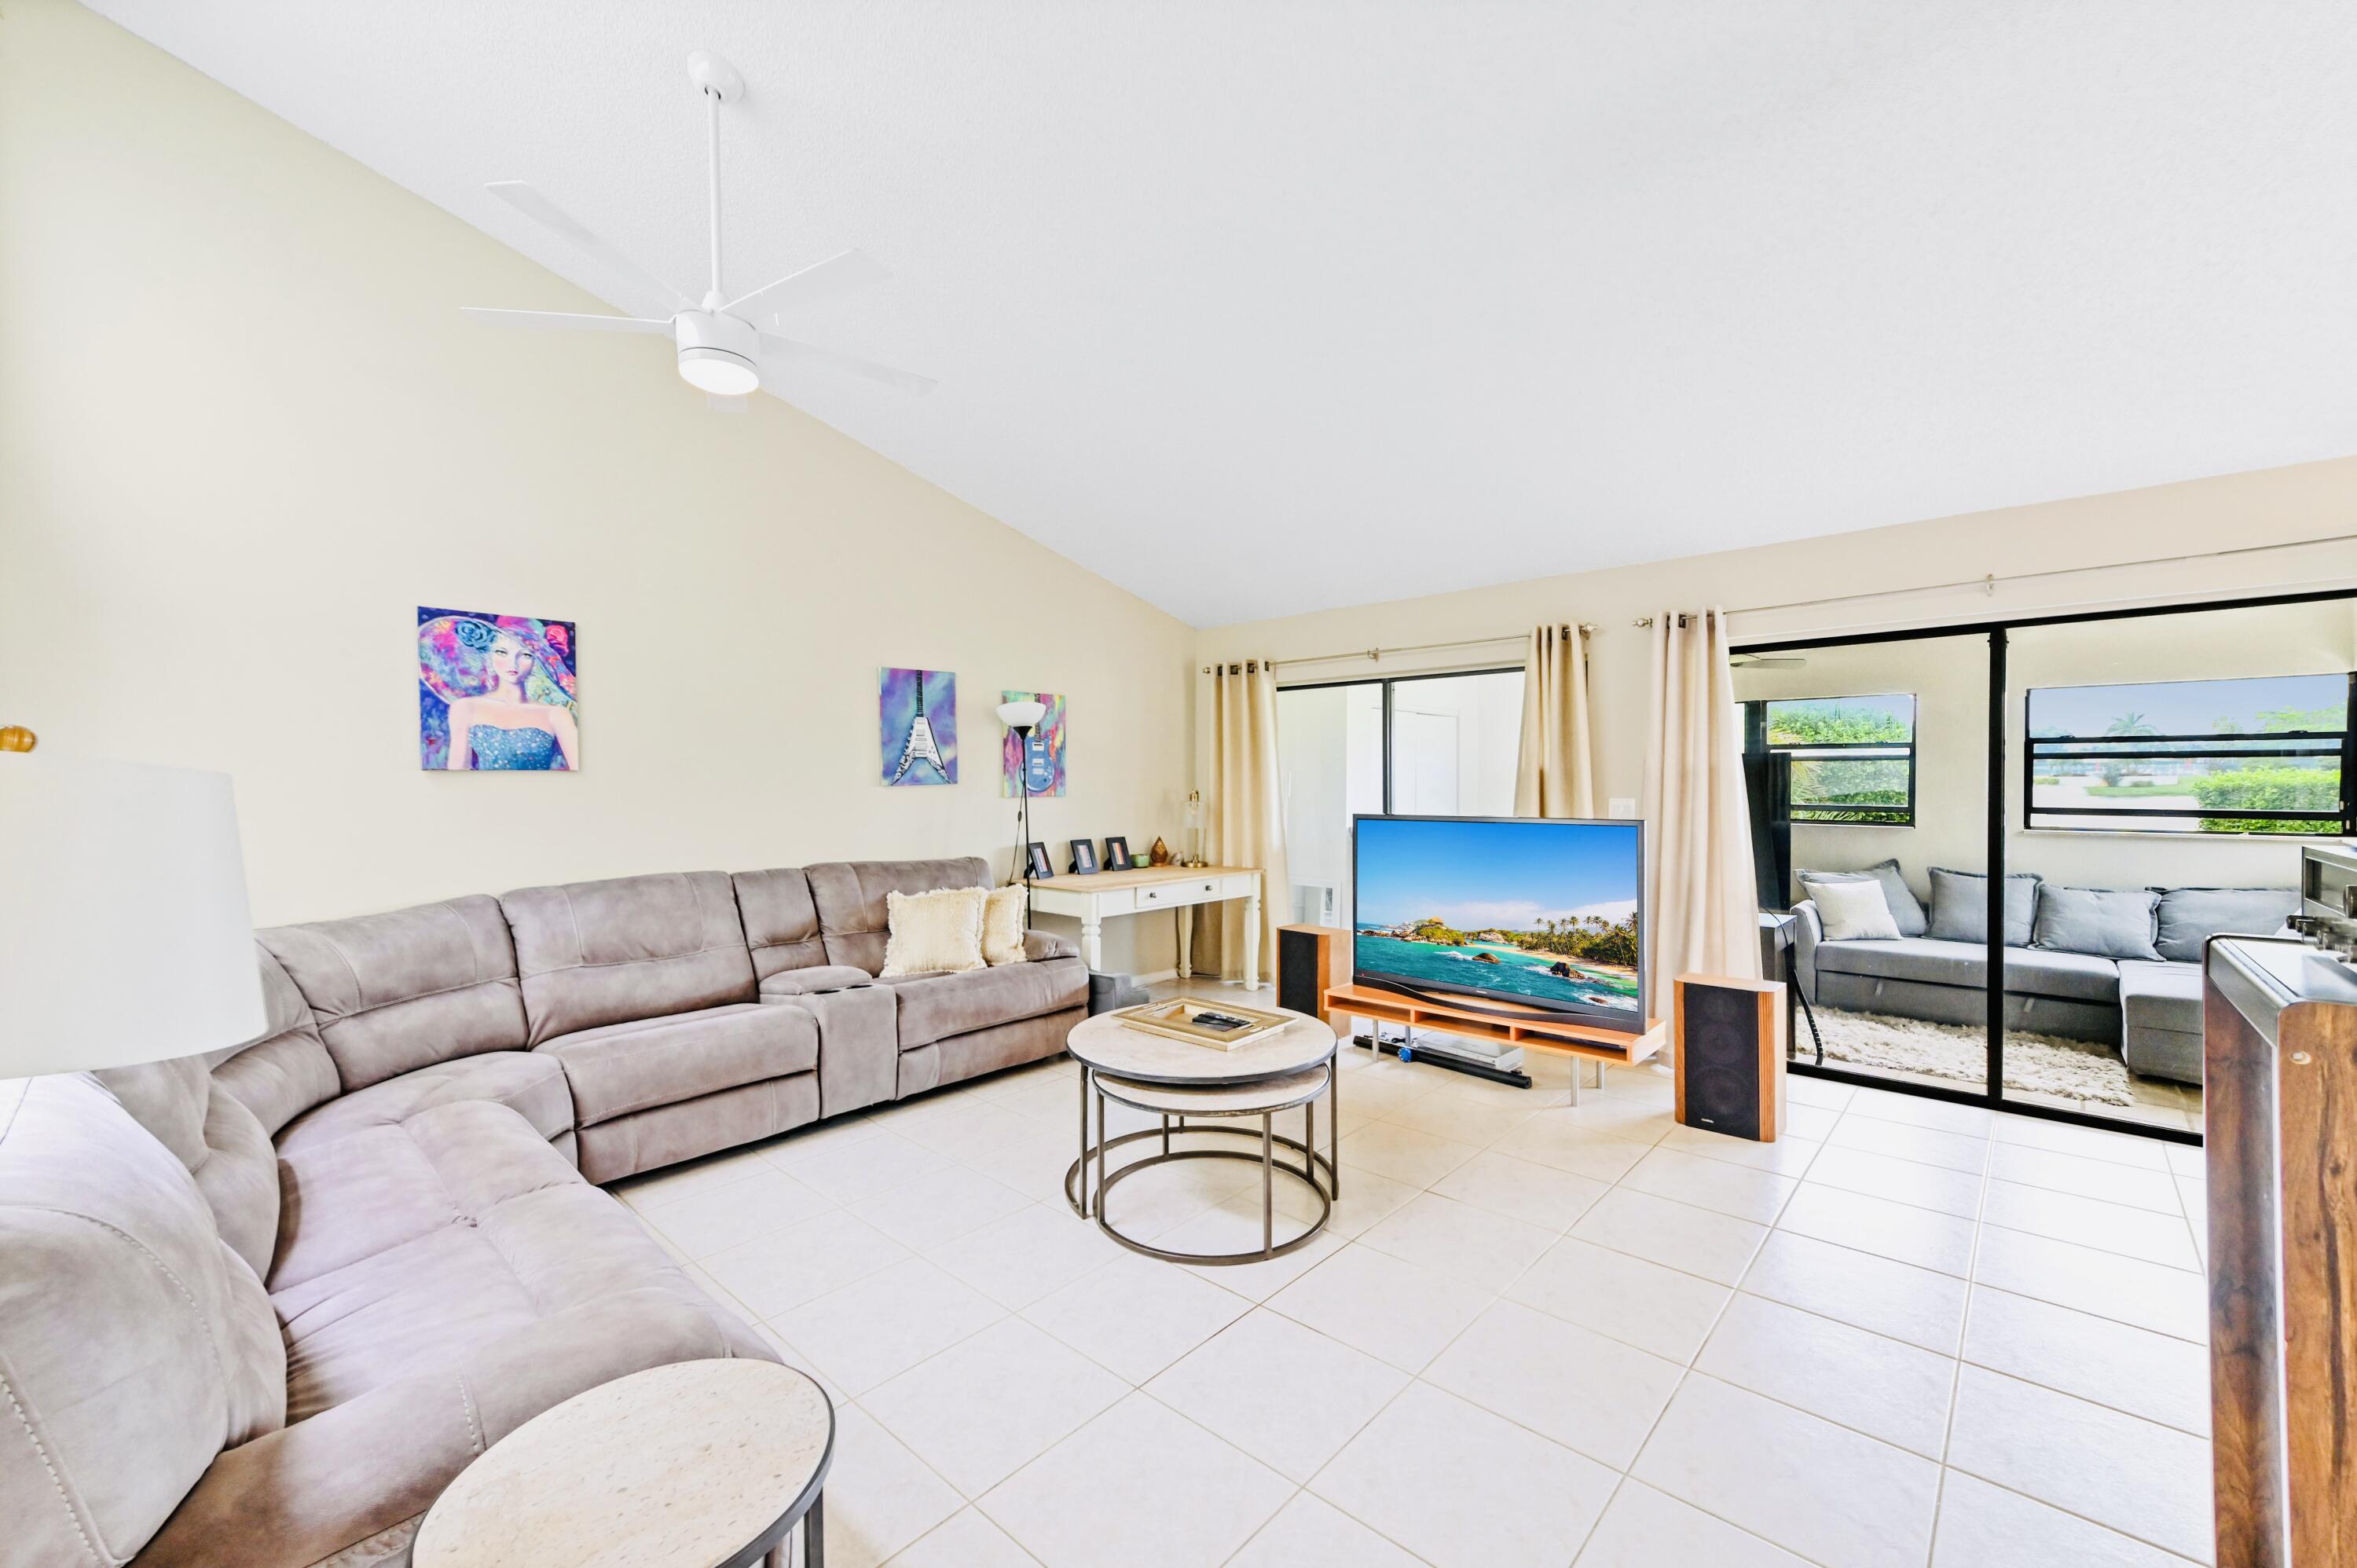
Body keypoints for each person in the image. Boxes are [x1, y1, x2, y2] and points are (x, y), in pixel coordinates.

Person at [444, 627, 579, 770]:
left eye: (526, 655)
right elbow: (458, 769)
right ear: (489, 654)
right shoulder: (466, 707)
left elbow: (581, 771)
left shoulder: (556, 714)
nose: (512, 663)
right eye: (502, 652)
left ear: (537, 660)